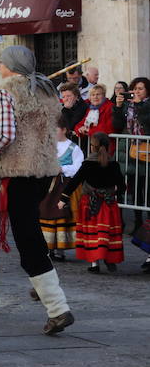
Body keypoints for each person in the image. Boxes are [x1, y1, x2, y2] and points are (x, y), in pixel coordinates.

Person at [0, 45, 74, 335]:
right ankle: (42, 284)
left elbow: (4, 136)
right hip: (44, 170)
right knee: (33, 233)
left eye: (0, 62)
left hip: (18, 172)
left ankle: (57, 306)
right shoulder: (46, 90)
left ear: (10, 65)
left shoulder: (5, 91)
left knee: (27, 241)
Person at [59, 132, 126, 273]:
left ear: (92, 147)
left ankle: (94, 264)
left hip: (90, 203)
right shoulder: (114, 164)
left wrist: (63, 199)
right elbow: (122, 187)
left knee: (93, 233)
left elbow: (74, 182)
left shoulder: (88, 164)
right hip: (108, 204)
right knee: (107, 233)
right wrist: (114, 193)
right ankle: (109, 259)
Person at [39, 116, 85, 262]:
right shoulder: (49, 146)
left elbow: (79, 167)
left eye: (56, 129)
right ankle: (48, 246)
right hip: (49, 186)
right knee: (46, 212)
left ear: (64, 130)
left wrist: (62, 168)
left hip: (64, 186)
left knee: (62, 214)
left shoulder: (73, 148)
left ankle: (60, 249)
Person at [112, 76, 150, 245]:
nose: (136, 92)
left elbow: (145, 121)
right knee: (134, 187)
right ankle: (137, 222)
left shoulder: (147, 105)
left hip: (146, 151)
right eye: (134, 89)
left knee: (146, 188)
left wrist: (139, 104)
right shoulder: (129, 105)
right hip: (131, 150)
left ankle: (146, 225)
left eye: (140, 89)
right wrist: (119, 107)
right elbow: (117, 124)